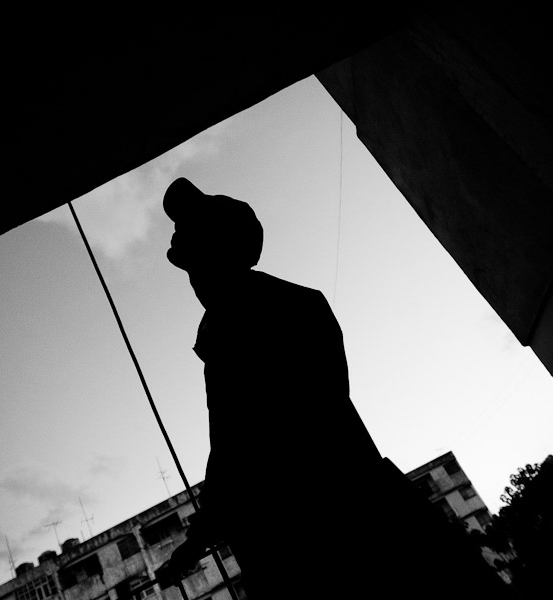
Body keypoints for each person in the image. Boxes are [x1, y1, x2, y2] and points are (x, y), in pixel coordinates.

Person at [154, 177, 383, 597]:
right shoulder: (270, 314)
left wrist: (206, 530)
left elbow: (240, 444)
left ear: (218, 255)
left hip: (320, 540)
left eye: (194, 262)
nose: (193, 281)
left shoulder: (241, 329)